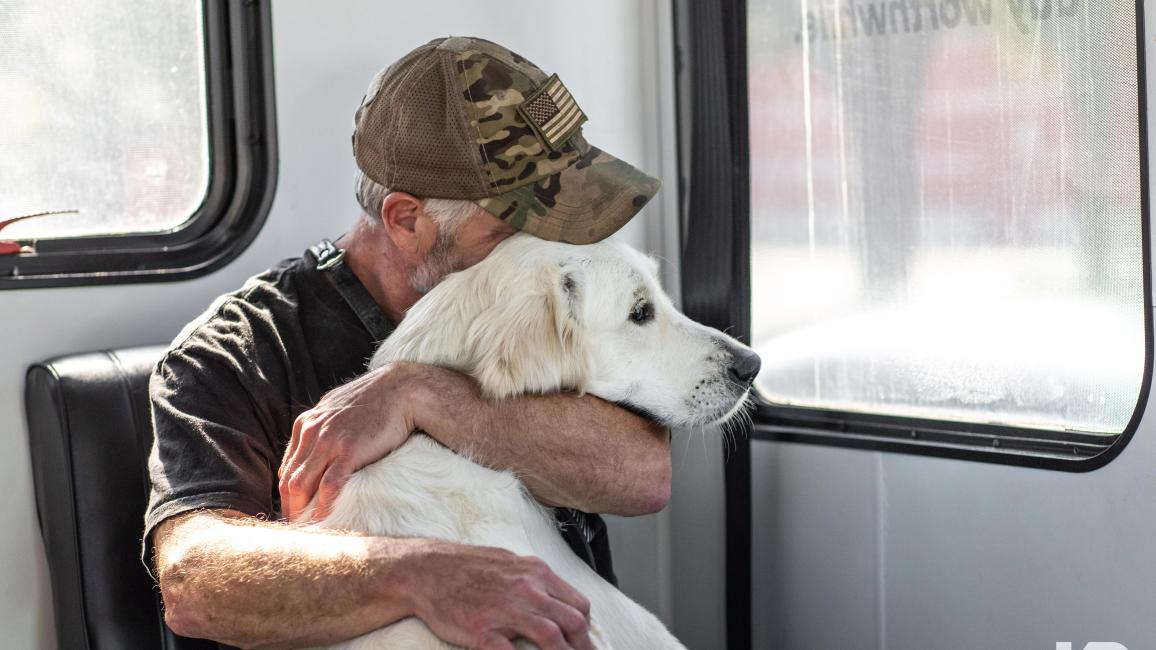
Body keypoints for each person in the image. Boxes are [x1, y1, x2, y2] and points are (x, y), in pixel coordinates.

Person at [145, 36, 668, 650]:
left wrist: (419, 395)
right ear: (407, 221)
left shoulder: (549, 304)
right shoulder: (235, 354)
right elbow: (196, 580)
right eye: (515, 228)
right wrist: (417, 575)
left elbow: (643, 477)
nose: (555, 250)